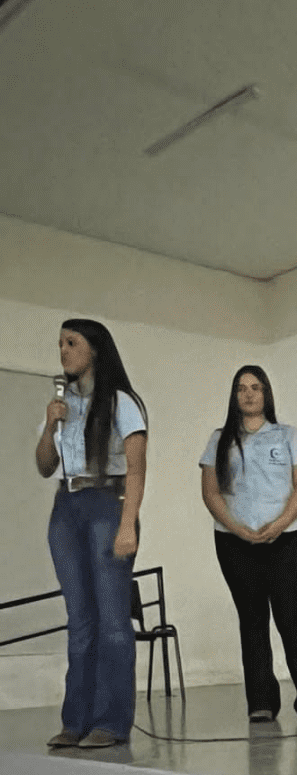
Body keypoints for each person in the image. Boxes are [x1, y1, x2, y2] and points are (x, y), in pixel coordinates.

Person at [36, 319, 147, 749]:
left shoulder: (122, 402)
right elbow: (45, 465)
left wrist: (127, 525)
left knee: (113, 619)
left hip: (109, 502)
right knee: (79, 620)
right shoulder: (60, 405)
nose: (63, 351)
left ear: (95, 350)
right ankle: (75, 720)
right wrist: (49, 425)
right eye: (60, 343)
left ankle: (112, 721)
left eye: (71, 342)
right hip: (66, 506)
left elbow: (136, 468)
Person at [199, 366, 297, 723]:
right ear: (234, 396)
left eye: (256, 388)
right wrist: (238, 529)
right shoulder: (218, 439)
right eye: (241, 388)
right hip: (234, 541)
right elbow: (211, 493)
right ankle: (261, 702)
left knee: (290, 617)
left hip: (283, 539)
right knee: (252, 621)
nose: (249, 394)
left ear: (267, 393)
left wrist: (281, 523)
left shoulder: (288, 436)